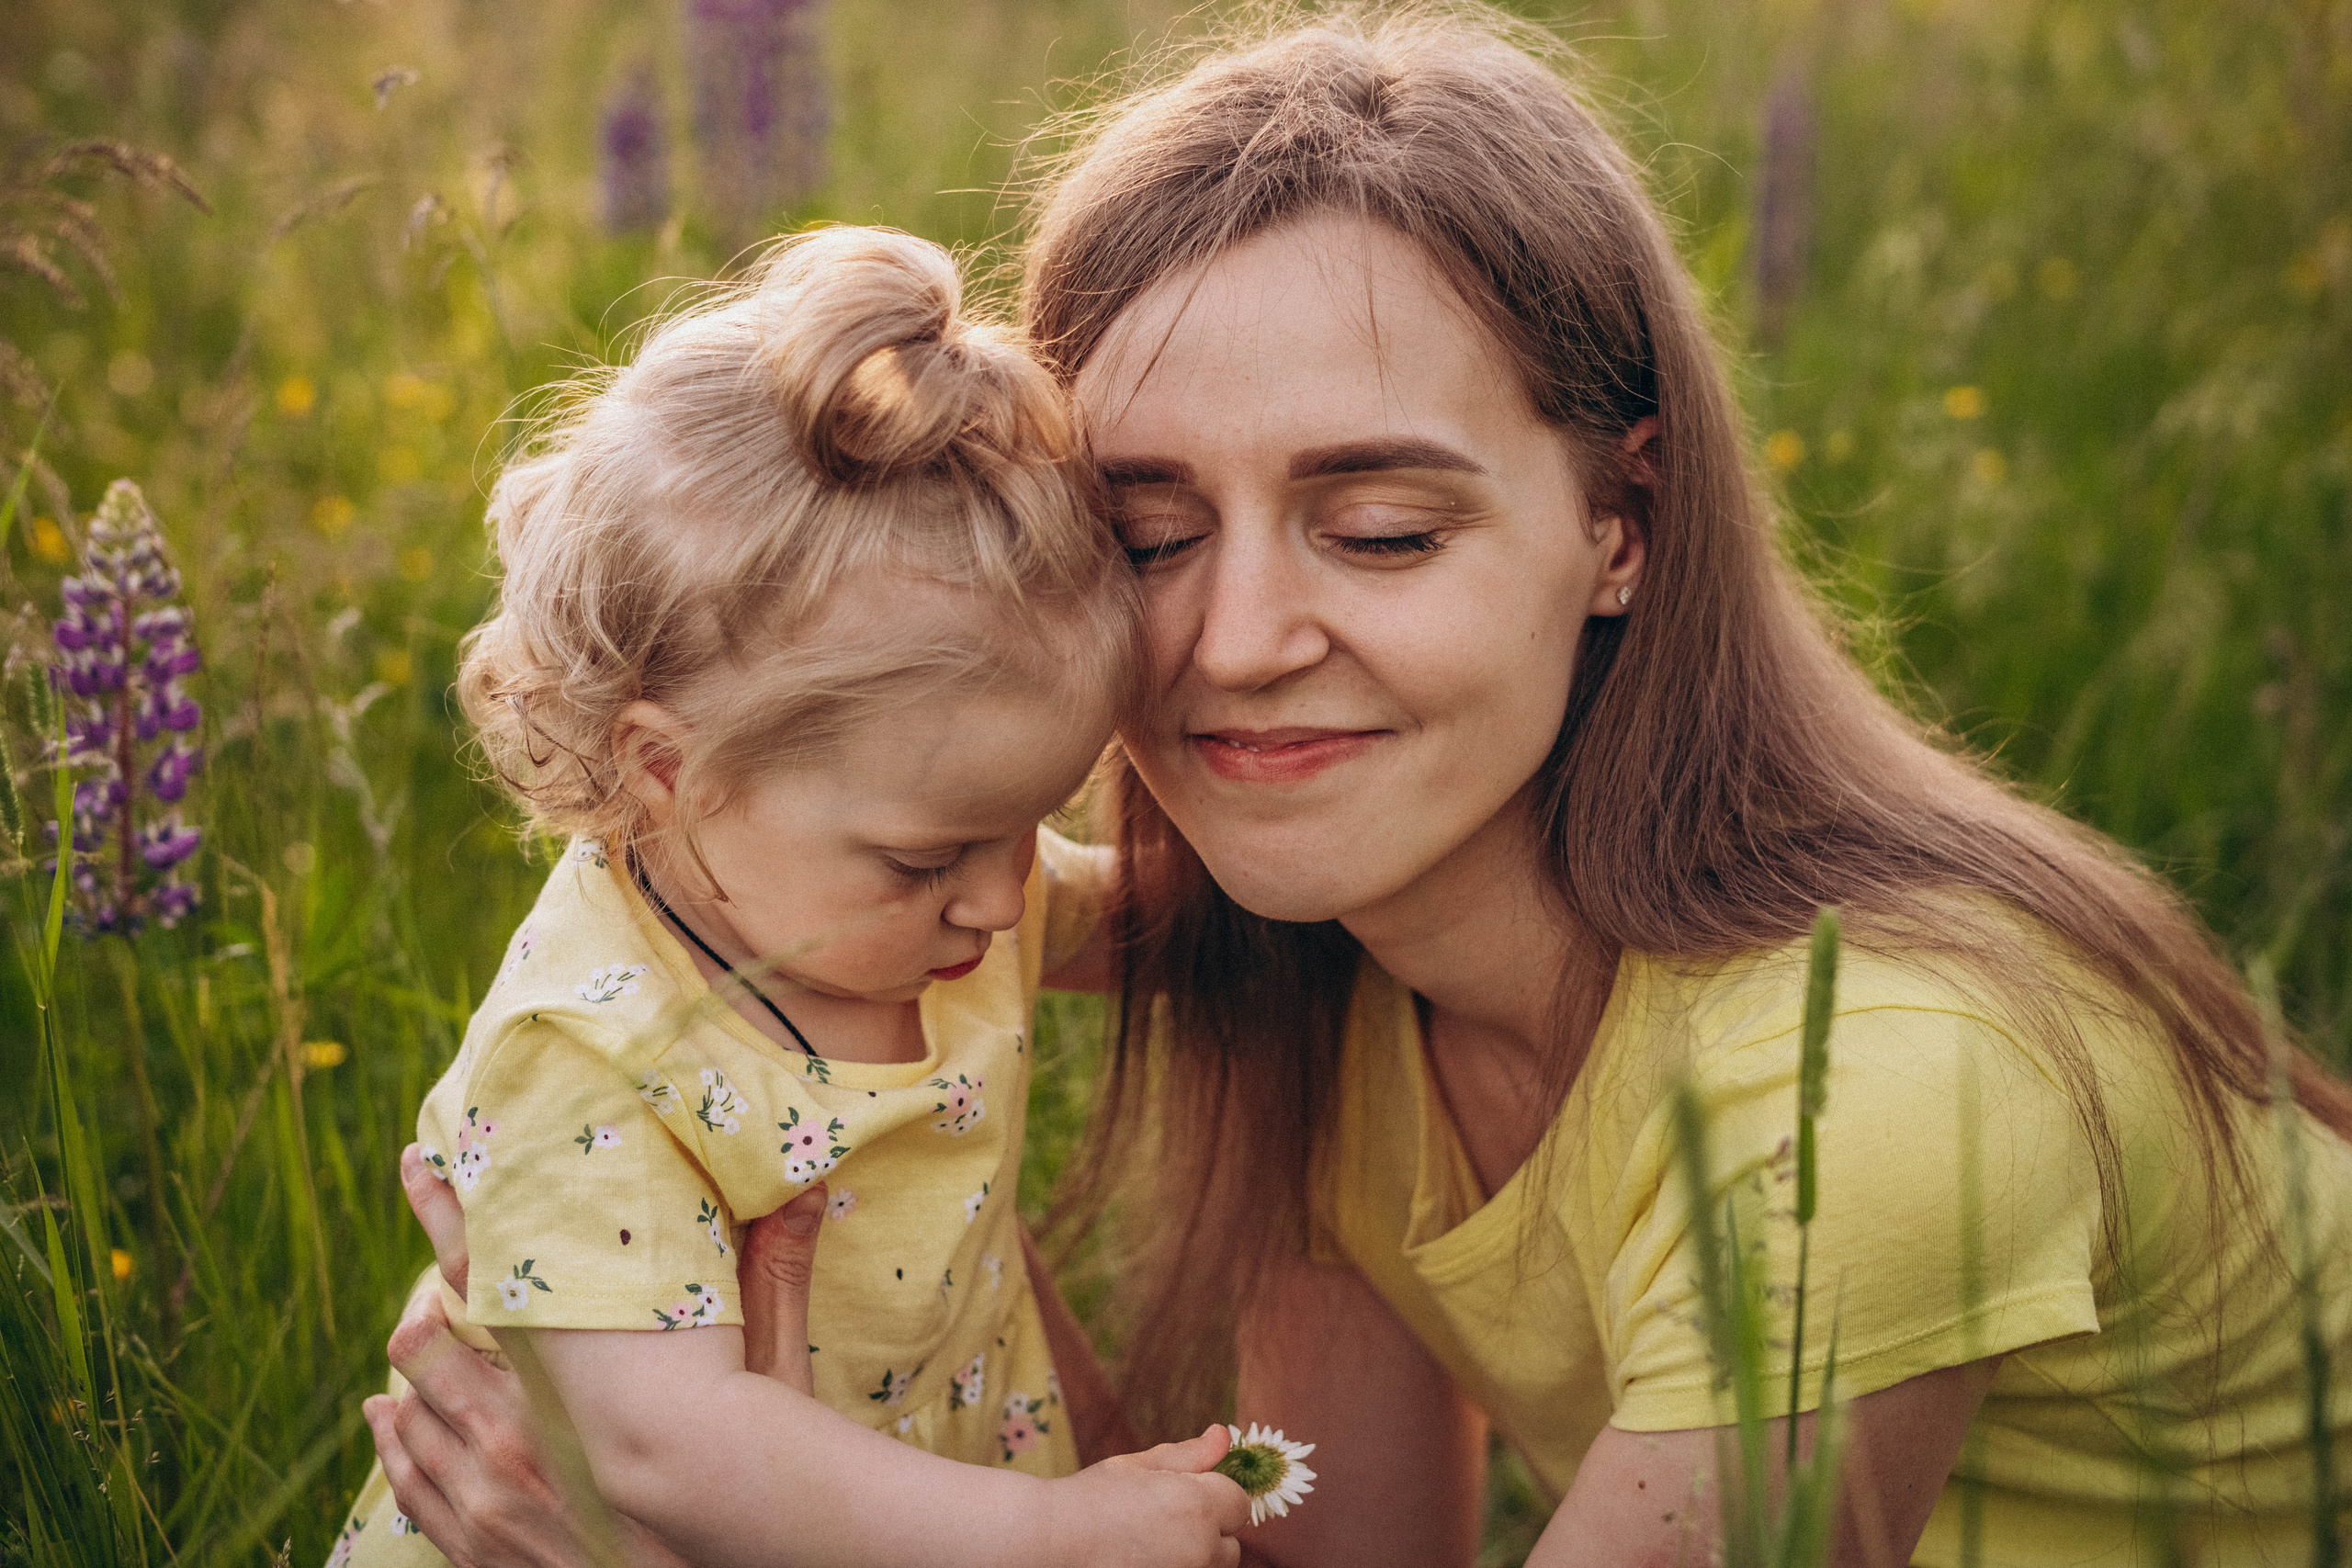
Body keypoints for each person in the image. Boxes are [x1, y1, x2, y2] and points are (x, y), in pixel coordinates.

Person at [364, 8, 2352, 1566]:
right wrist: (817, 1301)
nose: (1233, 639)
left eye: (1379, 529)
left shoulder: (1867, 1084)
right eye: (1144, 534)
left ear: (1620, 526)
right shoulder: (1333, 960)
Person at [326, 224, 1249, 1568]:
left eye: (1032, 823)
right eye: (933, 858)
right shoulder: (589, 1053)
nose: (1004, 900)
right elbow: (665, 1442)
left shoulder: (893, 896)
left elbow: (1146, 925)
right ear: (669, 774)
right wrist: (1044, 1537)